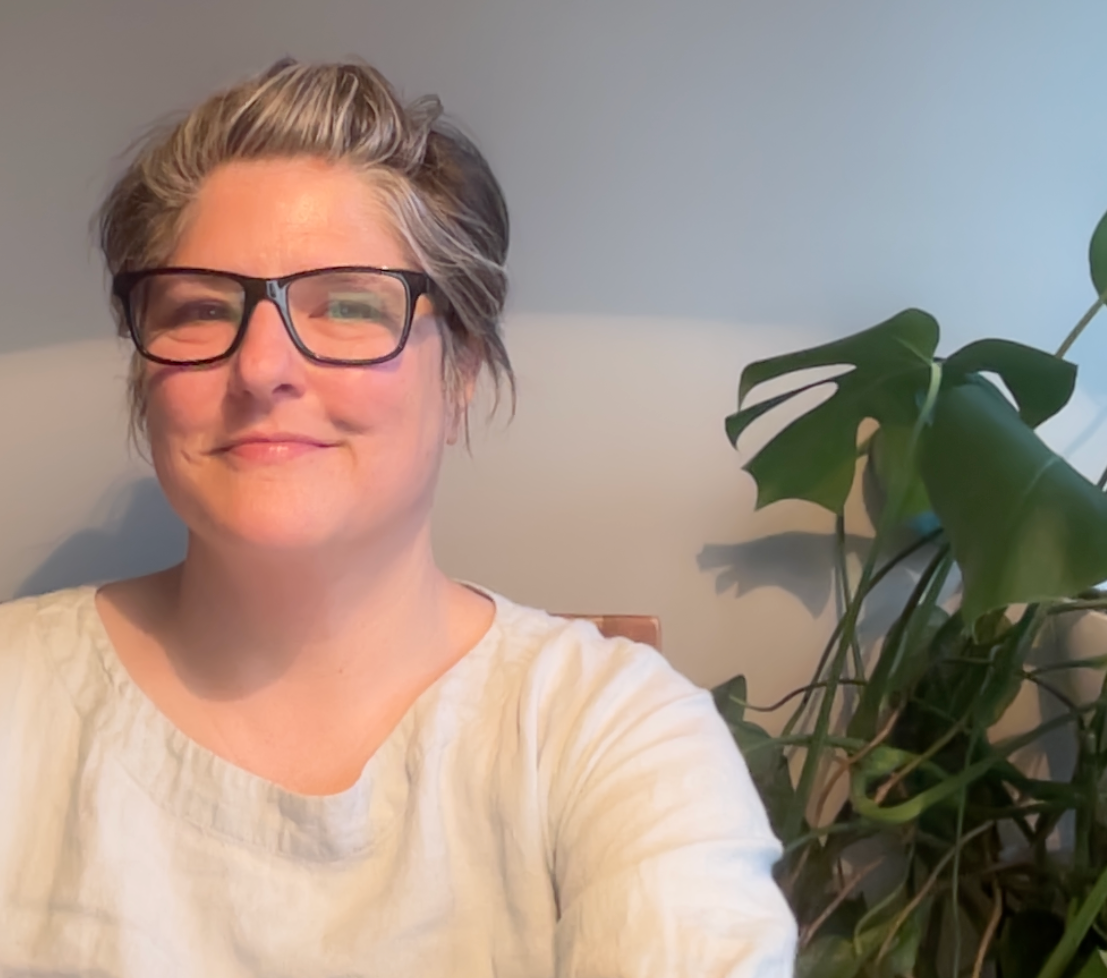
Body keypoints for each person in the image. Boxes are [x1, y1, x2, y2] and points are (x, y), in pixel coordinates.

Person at [0, 59, 796, 976]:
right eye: (202, 307)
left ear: (460, 370)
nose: (262, 369)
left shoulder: (612, 733)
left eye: (346, 305)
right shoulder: (20, 702)